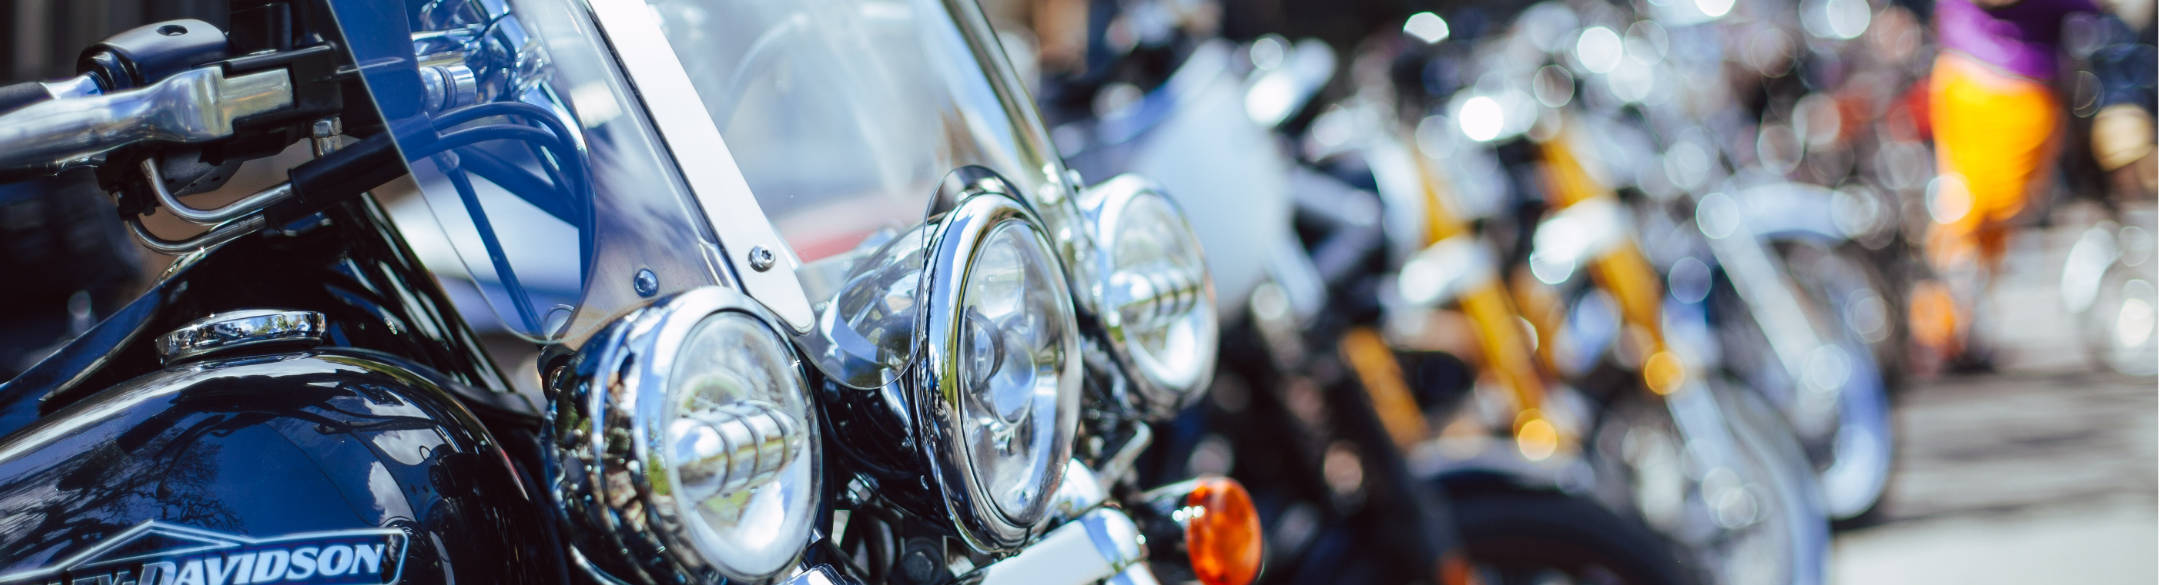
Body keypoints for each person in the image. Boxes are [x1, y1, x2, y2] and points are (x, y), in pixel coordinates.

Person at [1910, 0, 2156, 371]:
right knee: (1970, 211)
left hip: (2022, 81)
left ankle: (1963, 326)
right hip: (1981, 75)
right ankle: (1941, 327)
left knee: (1997, 219)